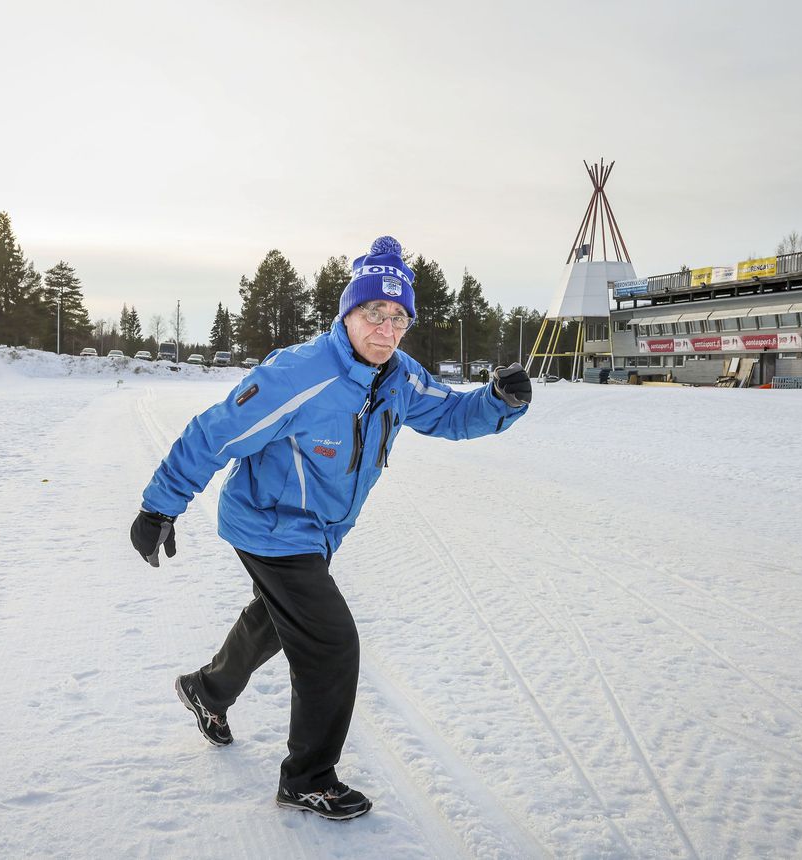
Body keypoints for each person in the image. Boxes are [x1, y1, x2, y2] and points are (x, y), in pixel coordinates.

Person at [130, 236, 531, 820]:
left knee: (274, 618)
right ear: (348, 313)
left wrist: (499, 401)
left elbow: (447, 413)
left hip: (319, 533)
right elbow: (217, 431)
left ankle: (208, 689)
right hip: (269, 525)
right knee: (331, 644)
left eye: (399, 318)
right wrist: (159, 506)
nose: (387, 329)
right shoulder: (300, 373)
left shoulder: (398, 376)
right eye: (375, 313)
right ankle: (307, 778)